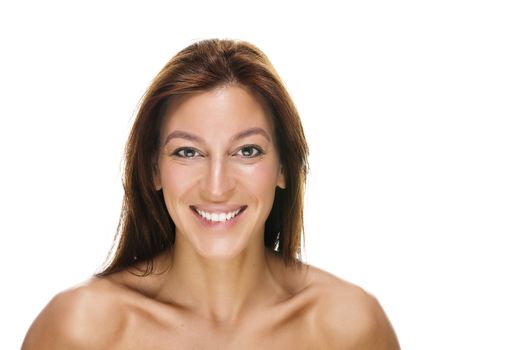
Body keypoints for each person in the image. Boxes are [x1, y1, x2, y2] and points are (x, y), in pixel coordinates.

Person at [22, 39, 400, 349]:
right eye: (188, 152)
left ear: (284, 167)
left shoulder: (349, 328)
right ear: (154, 169)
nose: (217, 186)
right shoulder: (82, 329)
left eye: (247, 151)